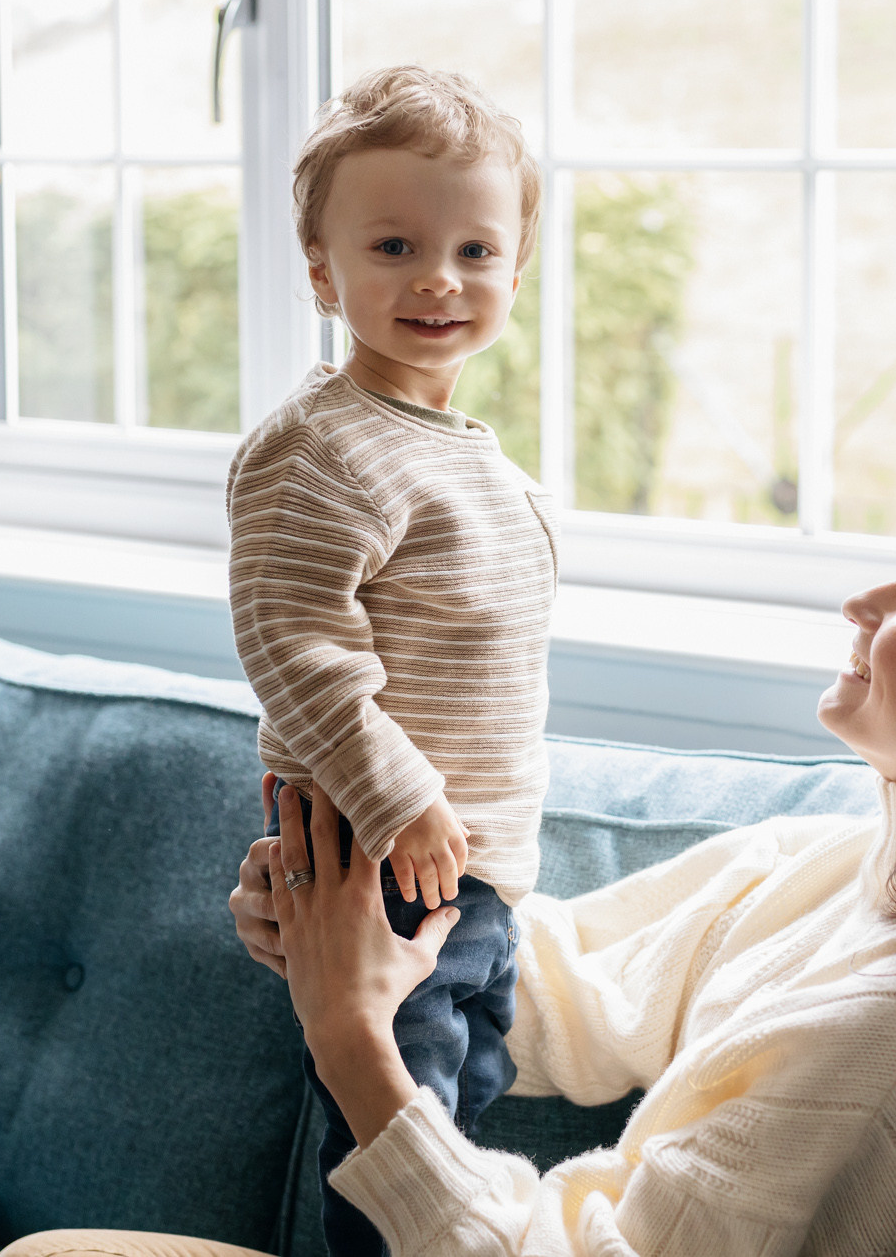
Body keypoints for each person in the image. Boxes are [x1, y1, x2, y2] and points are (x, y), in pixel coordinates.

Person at [2, 459, 896, 1257]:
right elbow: (566, 986)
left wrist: (355, 1037)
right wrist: (376, 931)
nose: (863, 600)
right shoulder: (843, 864)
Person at [225, 64, 556, 1257]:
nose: (438, 278)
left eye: (475, 249)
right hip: (381, 859)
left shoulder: (470, 455)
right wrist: (401, 793)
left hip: (472, 873)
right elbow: (295, 644)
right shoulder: (319, 450)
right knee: (391, 1147)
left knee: (453, 1125)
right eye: (394, 245)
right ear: (322, 269)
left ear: (516, 268)